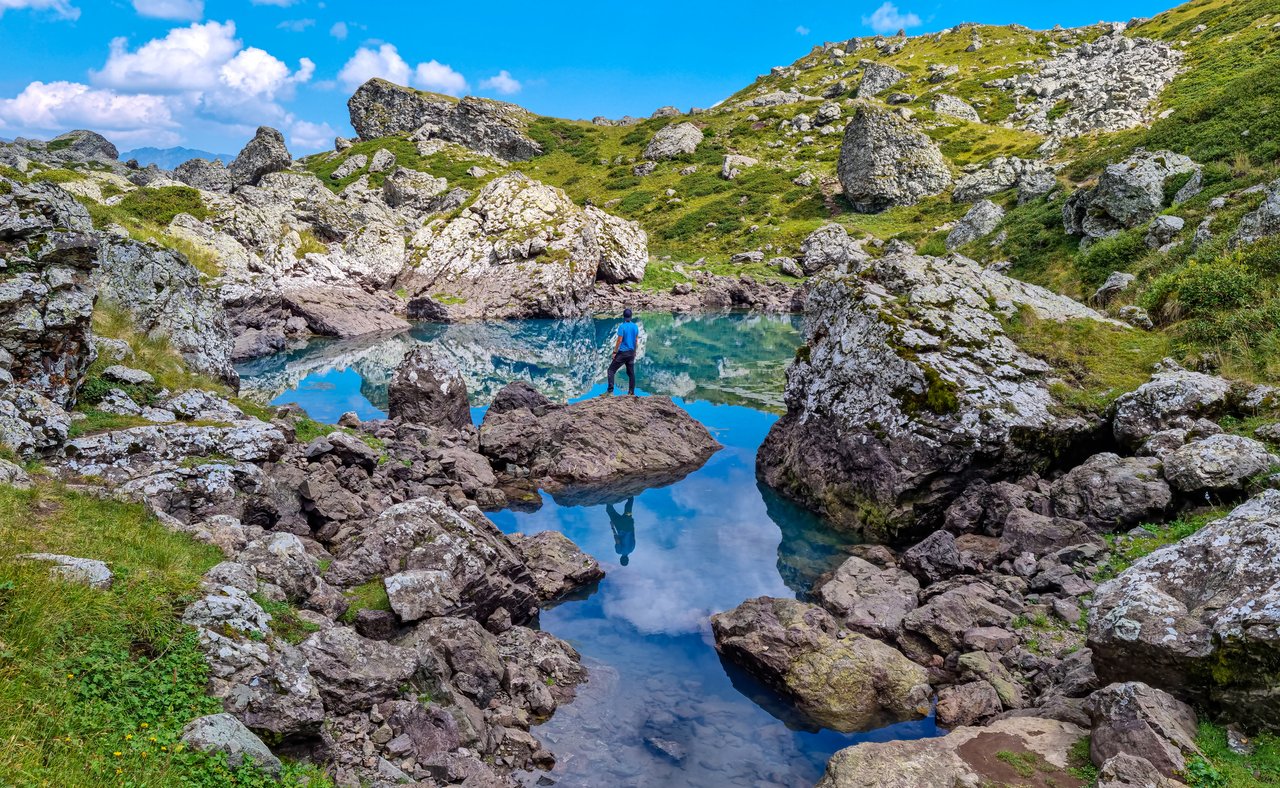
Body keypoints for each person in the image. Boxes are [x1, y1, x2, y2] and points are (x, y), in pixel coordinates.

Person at [607, 309, 639, 396]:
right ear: (631, 316)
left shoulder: (622, 327)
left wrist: (614, 352)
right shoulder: (635, 326)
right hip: (631, 352)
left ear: (624, 317)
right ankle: (631, 392)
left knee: (611, 370)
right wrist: (634, 352)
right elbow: (636, 340)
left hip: (622, 353)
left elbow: (619, 340)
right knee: (631, 373)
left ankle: (610, 392)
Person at [606, 497, 636, 566]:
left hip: (629, 523)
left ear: (628, 559)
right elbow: (617, 540)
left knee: (629, 507)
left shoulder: (632, 548)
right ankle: (610, 496)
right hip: (620, 525)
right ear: (620, 559)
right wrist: (612, 527)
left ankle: (630, 494)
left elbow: (633, 535)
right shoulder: (619, 551)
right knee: (610, 510)